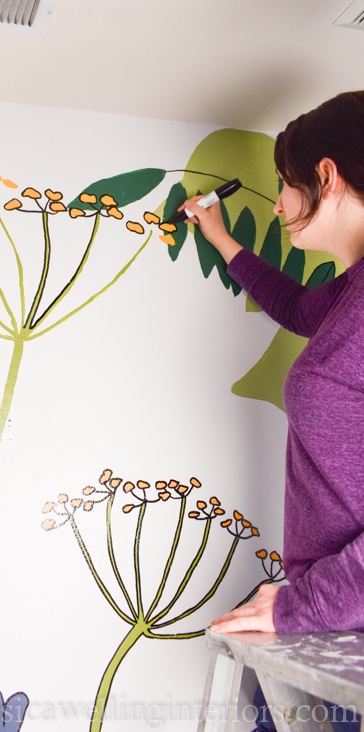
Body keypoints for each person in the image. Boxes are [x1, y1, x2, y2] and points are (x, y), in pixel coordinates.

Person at [180, 92, 364, 732]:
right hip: (330, 611)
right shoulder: (351, 293)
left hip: (337, 614)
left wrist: (302, 606)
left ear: (328, 178)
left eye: (285, 186)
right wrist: (223, 239)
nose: (279, 204)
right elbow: (298, 308)